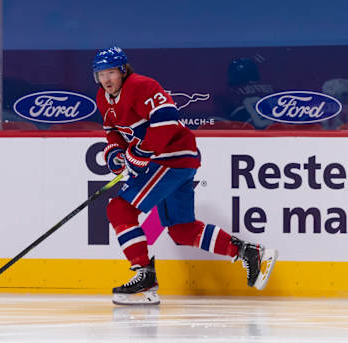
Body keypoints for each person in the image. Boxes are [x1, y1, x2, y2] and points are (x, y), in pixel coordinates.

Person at [92, 46, 278, 305]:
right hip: (172, 161)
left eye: (111, 72)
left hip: (171, 157)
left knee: (119, 210)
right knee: (182, 230)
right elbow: (113, 132)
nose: (106, 79)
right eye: (100, 74)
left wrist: (141, 153)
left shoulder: (142, 85)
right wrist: (115, 152)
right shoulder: (104, 98)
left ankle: (145, 278)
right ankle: (250, 253)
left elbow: (167, 120)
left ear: (123, 70)